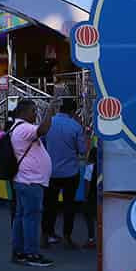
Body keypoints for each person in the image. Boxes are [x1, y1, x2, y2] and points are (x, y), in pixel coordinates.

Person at [9, 98, 53, 267]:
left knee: (22, 216)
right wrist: (50, 111)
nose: (35, 114)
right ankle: (31, 253)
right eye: (33, 111)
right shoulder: (25, 128)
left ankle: (19, 251)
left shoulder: (17, 128)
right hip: (31, 182)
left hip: (24, 180)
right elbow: (43, 129)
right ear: (24, 112)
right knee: (31, 218)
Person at [42, 97, 89, 248]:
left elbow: (41, 143)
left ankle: (46, 235)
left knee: (49, 205)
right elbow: (83, 150)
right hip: (70, 172)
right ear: (73, 111)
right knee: (69, 206)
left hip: (50, 171)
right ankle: (67, 236)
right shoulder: (75, 127)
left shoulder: (49, 123)